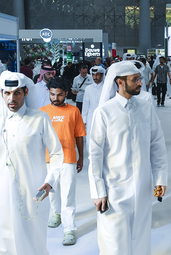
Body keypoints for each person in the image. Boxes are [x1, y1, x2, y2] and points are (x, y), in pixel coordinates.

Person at [89, 61, 168, 254]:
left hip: (142, 187)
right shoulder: (104, 112)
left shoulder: (146, 107)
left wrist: (160, 180)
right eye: (135, 80)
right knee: (114, 243)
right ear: (120, 82)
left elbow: (157, 145)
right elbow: (95, 154)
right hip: (114, 191)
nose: (140, 83)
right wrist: (98, 190)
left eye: (139, 78)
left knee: (141, 240)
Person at [0, 71, 63, 255]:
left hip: (33, 190)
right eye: (7, 93)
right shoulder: (2, 121)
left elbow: (57, 153)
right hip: (4, 190)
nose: (12, 98)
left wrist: (50, 180)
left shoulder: (40, 119)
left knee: (32, 238)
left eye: (17, 93)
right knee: (5, 236)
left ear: (26, 92)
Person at [40, 77, 86, 245]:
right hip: (48, 159)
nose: (55, 98)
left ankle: (69, 229)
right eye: (52, 94)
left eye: (59, 95)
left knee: (68, 194)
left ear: (66, 93)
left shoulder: (74, 111)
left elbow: (79, 136)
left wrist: (81, 157)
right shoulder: (42, 112)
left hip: (68, 159)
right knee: (51, 192)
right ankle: (56, 213)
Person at [82, 66, 105, 153]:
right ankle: (91, 157)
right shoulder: (88, 89)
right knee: (90, 139)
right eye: (93, 75)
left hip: (103, 117)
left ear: (102, 75)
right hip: (91, 117)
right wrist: (84, 120)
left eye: (97, 75)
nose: (95, 77)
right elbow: (85, 106)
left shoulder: (106, 88)